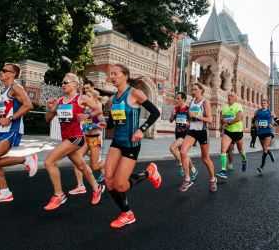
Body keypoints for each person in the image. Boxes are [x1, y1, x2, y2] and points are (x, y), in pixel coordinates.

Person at [104, 64, 162, 229]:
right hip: (117, 142)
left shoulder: (135, 93)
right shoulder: (114, 98)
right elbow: (111, 124)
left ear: (125, 75)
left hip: (131, 143)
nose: (112, 77)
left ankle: (149, 172)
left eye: (115, 74)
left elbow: (155, 112)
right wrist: (96, 121)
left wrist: (141, 129)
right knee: (109, 181)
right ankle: (127, 213)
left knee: (120, 185)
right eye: (111, 74)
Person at [0, 64, 38, 204]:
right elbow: (1, 112)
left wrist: (10, 118)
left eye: (4, 71)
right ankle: (5, 193)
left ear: (13, 74)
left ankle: (27, 159)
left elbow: (28, 105)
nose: (1, 72)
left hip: (13, 129)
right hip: (2, 130)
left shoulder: (16, 87)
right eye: (1, 70)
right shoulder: (5, 91)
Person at [43, 73, 104, 211]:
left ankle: (59, 195)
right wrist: (50, 108)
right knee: (82, 165)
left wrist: (87, 115)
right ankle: (97, 187)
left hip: (76, 137)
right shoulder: (59, 101)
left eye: (66, 82)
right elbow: (47, 119)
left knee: (49, 162)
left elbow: (98, 109)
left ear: (75, 84)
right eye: (62, 83)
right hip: (66, 138)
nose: (63, 85)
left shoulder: (81, 99)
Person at [179, 83, 217, 192]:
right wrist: (187, 121)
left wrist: (195, 116)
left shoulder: (205, 102)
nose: (193, 91)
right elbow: (189, 116)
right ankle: (187, 179)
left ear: (201, 90)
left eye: (195, 89)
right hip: (192, 131)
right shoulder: (191, 101)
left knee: (205, 158)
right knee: (182, 152)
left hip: (202, 132)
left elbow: (209, 119)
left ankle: (213, 179)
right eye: (192, 89)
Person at [68, 88, 107, 195]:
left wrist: (94, 125)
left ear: (93, 99)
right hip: (86, 138)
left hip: (94, 138)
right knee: (77, 159)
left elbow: (104, 123)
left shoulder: (97, 110)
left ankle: (106, 165)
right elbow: (85, 126)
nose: (85, 99)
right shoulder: (85, 110)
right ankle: (80, 186)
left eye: (88, 96)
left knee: (94, 166)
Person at [216, 91, 247, 180]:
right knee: (223, 150)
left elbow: (239, 118)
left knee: (241, 150)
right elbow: (221, 118)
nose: (230, 97)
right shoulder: (224, 107)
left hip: (237, 132)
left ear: (235, 98)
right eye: (229, 95)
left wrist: (228, 122)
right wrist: (221, 125)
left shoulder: (238, 106)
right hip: (228, 132)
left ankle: (244, 160)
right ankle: (223, 171)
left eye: (232, 96)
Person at [169, 92, 198, 180]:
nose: (176, 100)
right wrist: (172, 114)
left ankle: (181, 165)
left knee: (172, 148)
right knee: (184, 154)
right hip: (178, 134)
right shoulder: (176, 109)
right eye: (176, 98)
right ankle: (193, 170)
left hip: (186, 135)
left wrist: (189, 123)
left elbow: (195, 121)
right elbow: (170, 120)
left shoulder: (188, 109)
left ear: (184, 99)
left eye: (178, 98)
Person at [255, 99, 279, 175]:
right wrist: (256, 126)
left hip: (268, 132)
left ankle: (261, 167)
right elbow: (254, 121)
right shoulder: (257, 112)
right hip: (260, 132)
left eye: (265, 103)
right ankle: (270, 153)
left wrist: (272, 125)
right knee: (264, 149)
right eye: (262, 103)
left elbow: (278, 122)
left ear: (267, 104)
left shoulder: (270, 112)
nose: (263, 104)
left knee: (265, 149)